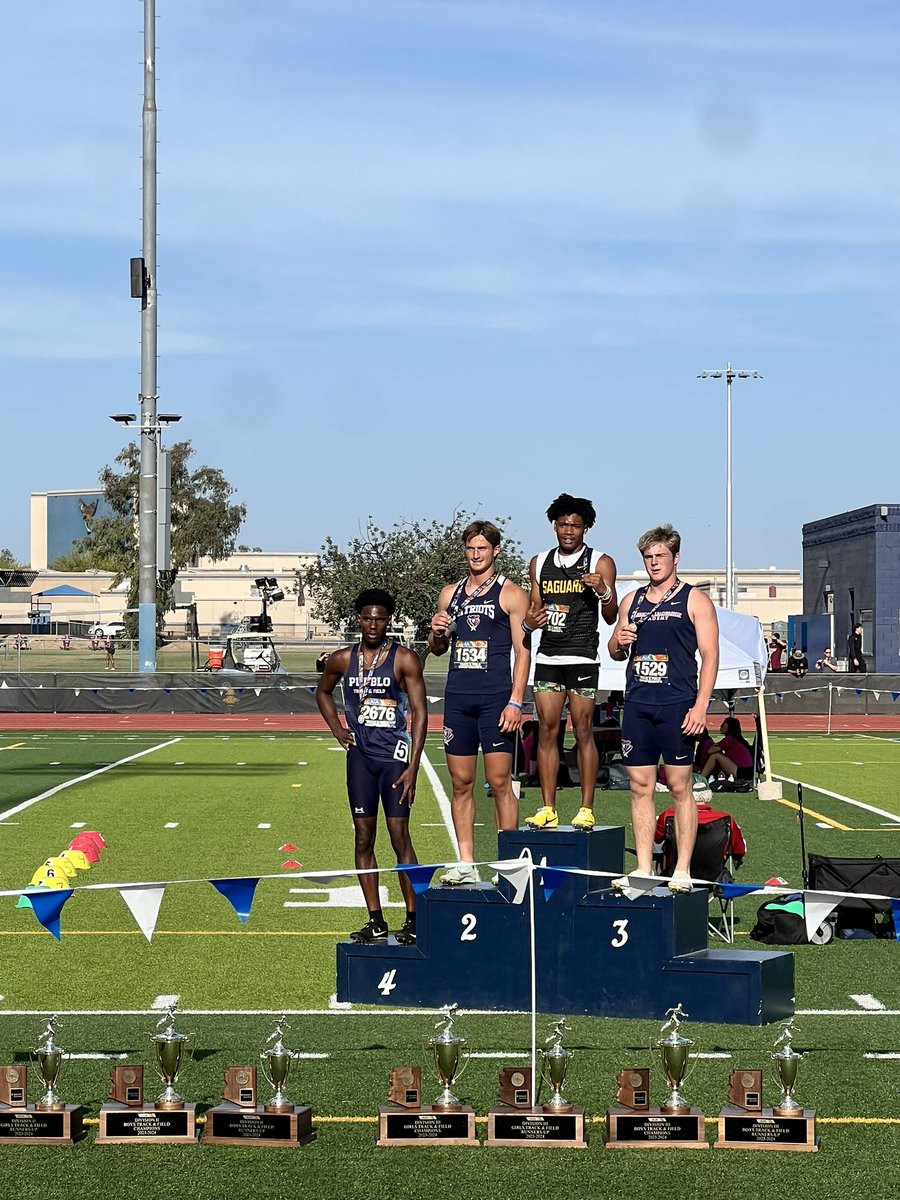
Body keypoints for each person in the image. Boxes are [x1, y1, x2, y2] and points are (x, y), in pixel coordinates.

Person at [608, 524, 719, 892]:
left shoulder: (694, 600)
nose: (654, 562)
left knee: (679, 786)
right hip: (638, 703)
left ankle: (682, 870)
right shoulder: (632, 600)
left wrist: (701, 706)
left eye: (660, 556)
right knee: (640, 786)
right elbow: (614, 649)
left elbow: (710, 655)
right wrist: (619, 641)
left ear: (676, 558)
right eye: (648, 557)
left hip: (677, 705)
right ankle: (642, 868)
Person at [316, 589, 427, 944]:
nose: (373, 624)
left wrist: (414, 765)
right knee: (363, 837)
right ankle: (376, 919)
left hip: (394, 761)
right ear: (359, 619)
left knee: (399, 838)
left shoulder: (404, 659)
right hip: (360, 759)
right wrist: (336, 727)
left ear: (389, 620)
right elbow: (322, 692)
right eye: (367, 618)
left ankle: (413, 918)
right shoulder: (342, 658)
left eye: (380, 618)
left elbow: (422, 713)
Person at [428, 520, 530, 884]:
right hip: (458, 699)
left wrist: (516, 701)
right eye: (471, 549)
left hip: (495, 700)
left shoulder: (511, 593)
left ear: (495, 551)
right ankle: (466, 862)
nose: (476, 555)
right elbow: (438, 648)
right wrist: (437, 632)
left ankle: (510, 864)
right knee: (460, 782)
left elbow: (523, 651)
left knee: (500, 781)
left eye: (483, 549)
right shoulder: (450, 594)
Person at [523, 493, 618, 831]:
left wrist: (603, 590)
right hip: (548, 655)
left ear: (586, 528)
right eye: (563, 524)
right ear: (554, 525)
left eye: (575, 526)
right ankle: (548, 807)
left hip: (582, 656)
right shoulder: (539, 562)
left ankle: (586, 807)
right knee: (547, 733)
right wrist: (530, 622)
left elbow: (611, 615)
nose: (568, 531)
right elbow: (534, 609)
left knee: (582, 732)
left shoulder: (599, 561)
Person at [654, 778, 747, 874]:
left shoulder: (669, 815)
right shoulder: (725, 819)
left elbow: (656, 839)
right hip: (713, 876)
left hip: (674, 873)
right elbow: (739, 850)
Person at [700, 716, 754, 782]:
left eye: (723, 725)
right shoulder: (735, 739)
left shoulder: (729, 739)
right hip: (747, 771)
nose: (720, 726)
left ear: (729, 727)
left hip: (742, 771)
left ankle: (701, 778)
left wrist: (715, 744)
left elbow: (710, 751)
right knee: (718, 755)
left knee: (715, 755)